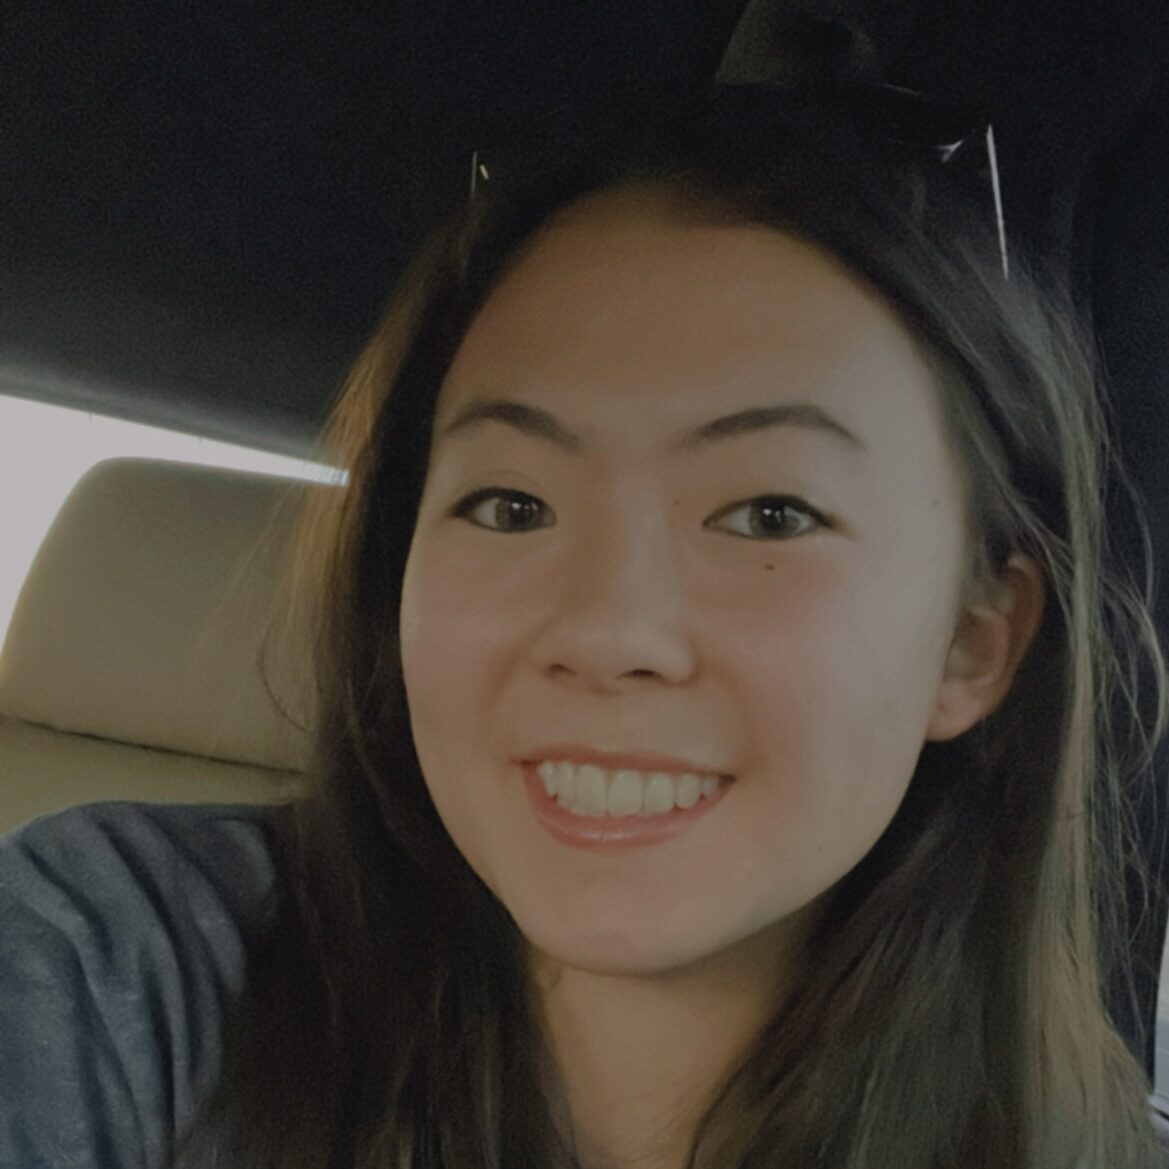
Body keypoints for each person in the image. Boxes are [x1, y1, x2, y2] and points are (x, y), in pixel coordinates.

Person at [2, 100, 1166, 1169]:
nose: (607, 631)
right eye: (510, 505)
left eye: (769, 513)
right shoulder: (118, 969)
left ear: (972, 645)